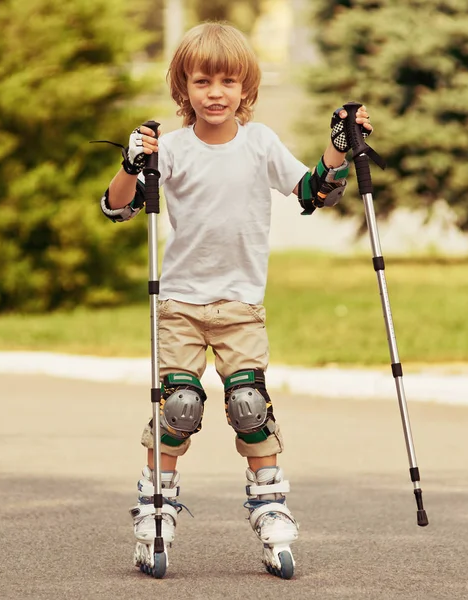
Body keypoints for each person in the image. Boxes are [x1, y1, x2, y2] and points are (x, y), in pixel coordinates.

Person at [100, 22, 372, 579]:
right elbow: (116, 208)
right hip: (179, 304)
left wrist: (337, 149)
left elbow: (311, 191)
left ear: (247, 88)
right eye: (202, 81)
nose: (216, 92)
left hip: (241, 305)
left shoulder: (260, 142)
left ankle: (272, 512)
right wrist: (130, 164)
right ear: (183, 89)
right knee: (178, 408)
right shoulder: (168, 149)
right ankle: (155, 512)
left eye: (228, 81)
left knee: (249, 405)